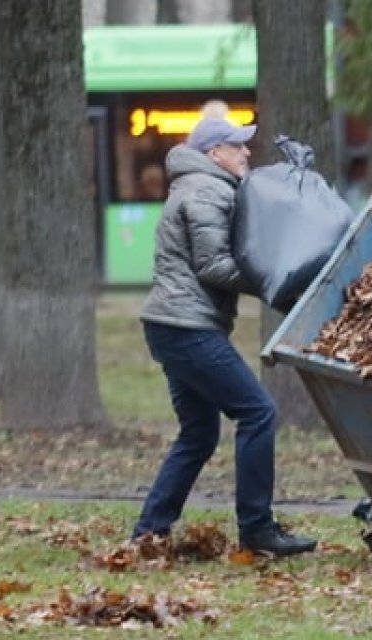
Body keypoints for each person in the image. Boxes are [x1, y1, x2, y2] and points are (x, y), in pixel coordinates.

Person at [132, 116, 318, 558]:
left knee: (198, 433)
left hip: (172, 324)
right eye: (238, 147)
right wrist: (274, 281)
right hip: (186, 326)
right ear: (215, 152)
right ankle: (256, 528)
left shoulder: (203, 188)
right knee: (257, 413)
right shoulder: (206, 191)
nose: (246, 153)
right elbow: (213, 266)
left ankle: (149, 533)